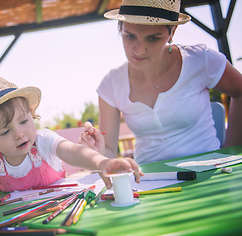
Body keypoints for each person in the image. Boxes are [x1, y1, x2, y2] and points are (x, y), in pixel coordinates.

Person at [79, 0, 242, 165]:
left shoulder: (202, 60)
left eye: (153, 38)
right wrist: (96, 151)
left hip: (209, 172)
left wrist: (233, 152)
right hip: (149, 181)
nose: (139, 50)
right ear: (121, 28)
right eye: (130, 36)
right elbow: (108, 151)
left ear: (172, 31)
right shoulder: (111, 85)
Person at [0, 73, 142, 196]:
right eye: (4, 132)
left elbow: (72, 151)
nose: (19, 134)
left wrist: (102, 162)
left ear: (32, 113)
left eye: (24, 121)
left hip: (61, 212)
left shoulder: (43, 141)